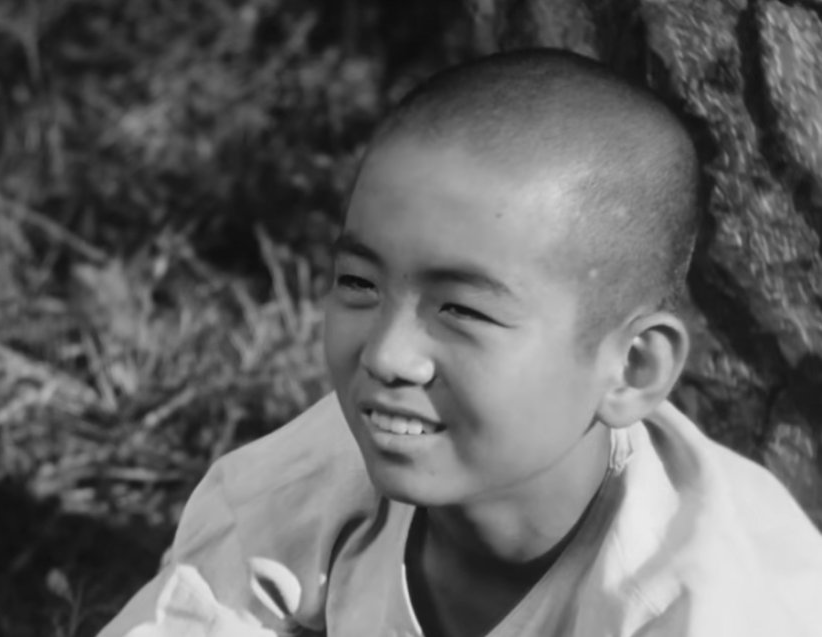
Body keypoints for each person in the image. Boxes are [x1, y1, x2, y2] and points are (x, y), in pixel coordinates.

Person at [98, 49, 822, 637]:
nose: (386, 356)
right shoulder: (307, 483)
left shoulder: (703, 605)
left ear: (631, 367)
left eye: (462, 310)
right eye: (359, 283)